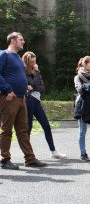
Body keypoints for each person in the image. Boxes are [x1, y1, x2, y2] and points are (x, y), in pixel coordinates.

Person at [0, 32, 47, 169]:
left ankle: (30, 159)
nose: (23, 42)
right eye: (21, 39)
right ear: (13, 41)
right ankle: (5, 159)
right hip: (9, 98)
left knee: (23, 130)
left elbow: (18, 75)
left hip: (22, 98)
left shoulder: (19, 58)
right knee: (6, 129)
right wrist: (8, 89)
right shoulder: (4, 54)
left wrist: (24, 85)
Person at [22, 51, 67, 159]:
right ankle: (28, 155)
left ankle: (53, 151)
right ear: (27, 62)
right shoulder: (23, 71)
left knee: (46, 126)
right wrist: (34, 79)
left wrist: (35, 78)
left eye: (35, 61)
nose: (34, 64)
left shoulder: (36, 71)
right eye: (32, 62)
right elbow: (31, 84)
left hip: (36, 100)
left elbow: (42, 88)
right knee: (29, 127)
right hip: (28, 100)